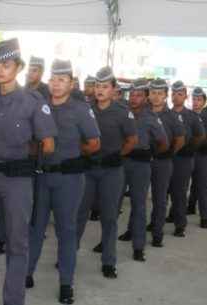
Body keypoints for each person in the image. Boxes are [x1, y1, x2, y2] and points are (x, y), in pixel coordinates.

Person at [0, 38, 57, 305]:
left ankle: (13, 300)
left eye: (7, 64)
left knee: (17, 244)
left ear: (18, 67)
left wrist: (22, 153)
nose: (1, 69)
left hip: (18, 180)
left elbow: (48, 144)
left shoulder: (32, 101)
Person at [26, 59, 101, 304]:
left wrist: (72, 153)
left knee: (66, 231)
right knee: (35, 227)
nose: (56, 84)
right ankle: (27, 272)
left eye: (62, 80)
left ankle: (66, 283)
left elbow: (94, 143)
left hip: (68, 180)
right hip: (42, 176)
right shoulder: (40, 105)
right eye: (54, 79)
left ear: (71, 84)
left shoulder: (80, 109)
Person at [76, 67, 137, 279]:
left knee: (109, 217)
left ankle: (109, 262)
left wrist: (119, 155)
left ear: (113, 90)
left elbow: (132, 140)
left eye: (105, 87)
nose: (100, 90)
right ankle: (68, 255)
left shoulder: (123, 112)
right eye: (97, 86)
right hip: (88, 169)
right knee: (79, 214)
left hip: (111, 171)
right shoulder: (85, 108)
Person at [117, 78, 167, 262]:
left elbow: (163, 142)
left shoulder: (151, 118)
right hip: (121, 162)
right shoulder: (122, 113)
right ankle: (105, 243)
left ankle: (138, 247)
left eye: (138, 95)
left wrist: (151, 153)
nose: (134, 98)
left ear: (145, 98)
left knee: (138, 205)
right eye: (132, 94)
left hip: (141, 165)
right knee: (113, 204)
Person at [147, 78, 185, 248]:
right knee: (139, 199)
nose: (156, 97)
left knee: (160, 198)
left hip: (162, 162)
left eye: (159, 94)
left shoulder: (172, 116)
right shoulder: (142, 113)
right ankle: (134, 230)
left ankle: (157, 234)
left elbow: (180, 139)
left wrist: (169, 153)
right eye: (153, 93)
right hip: (142, 161)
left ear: (165, 96)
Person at [167, 81, 204, 237]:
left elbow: (200, 135)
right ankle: (159, 220)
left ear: (185, 96)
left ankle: (180, 225)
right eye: (174, 94)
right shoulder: (165, 114)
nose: (176, 97)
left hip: (183, 159)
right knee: (162, 192)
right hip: (166, 158)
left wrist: (190, 148)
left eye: (180, 94)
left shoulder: (192, 116)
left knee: (180, 192)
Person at [189, 87, 207, 228]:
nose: (196, 102)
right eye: (194, 99)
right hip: (188, 154)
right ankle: (187, 208)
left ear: (204, 101)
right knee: (182, 186)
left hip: (202, 154)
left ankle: (204, 217)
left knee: (201, 186)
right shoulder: (188, 115)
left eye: (199, 100)